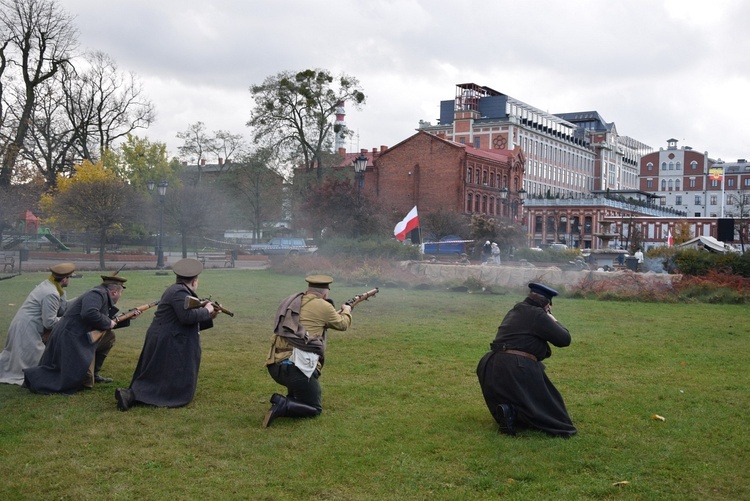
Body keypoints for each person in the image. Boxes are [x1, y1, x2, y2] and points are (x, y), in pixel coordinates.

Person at [115, 258, 217, 411]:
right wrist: (208, 309)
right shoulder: (178, 292)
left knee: (158, 374)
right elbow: (187, 317)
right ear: (195, 280)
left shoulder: (180, 291)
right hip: (168, 338)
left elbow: (188, 319)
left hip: (168, 336)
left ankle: (132, 395)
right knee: (160, 375)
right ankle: (132, 395)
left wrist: (212, 314)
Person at [476, 282, 576, 438]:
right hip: (516, 365)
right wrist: (552, 318)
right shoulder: (537, 314)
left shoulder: (515, 310)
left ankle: (509, 412)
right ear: (547, 304)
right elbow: (564, 339)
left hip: (491, 364)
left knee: (526, 400)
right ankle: (513, 413)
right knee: (556, 415)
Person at [23, 273, 137, 395]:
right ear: (114, 292)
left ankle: (95, 373)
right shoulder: (98, 294)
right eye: (120, 292)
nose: (120, 295)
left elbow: (106, 322)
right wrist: (108, 322)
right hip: (71, 338)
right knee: (84, 382)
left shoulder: (100, 294)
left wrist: (127, 318)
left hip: (78, 335)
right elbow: (89, 313)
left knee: (109, 337)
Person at [262, 275, 352, 427]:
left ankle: (290, 399)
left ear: (308, 289)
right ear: (325, 294)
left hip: (274, 366)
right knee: (314, 409)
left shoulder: (291, 300)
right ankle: (282, 404)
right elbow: (342, 324)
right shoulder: (324, 306)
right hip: (298, 369)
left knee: (301, 395)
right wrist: (347, 310)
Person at [0, 263, 76, 385]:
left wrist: (81, 299)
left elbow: (61, 308)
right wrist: (68, 319)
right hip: (27, 328)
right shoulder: (51, 293)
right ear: (64, 279)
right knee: (30, 367)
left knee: (13, 360)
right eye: (70, 277)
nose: (70, 280)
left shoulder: (50, 285)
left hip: (25, 325)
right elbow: (50, 322)